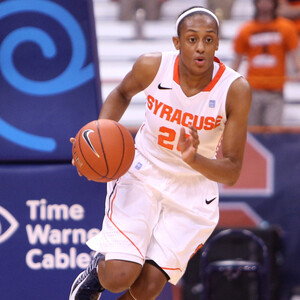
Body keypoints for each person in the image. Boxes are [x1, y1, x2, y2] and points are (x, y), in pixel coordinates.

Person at [69, 6, 251, 300]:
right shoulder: (152, 66)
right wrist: (100, 132)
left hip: (193, 188)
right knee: (119, 277)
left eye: (208, 39)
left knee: (147, 288)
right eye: (192, 39)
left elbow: (231, 171)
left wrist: (194, 158)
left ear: (217, 43)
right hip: (144, 171)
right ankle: (93, 276)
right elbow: (121, 93)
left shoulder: (235, 89)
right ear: (177, 43)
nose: (200, 47)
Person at [232, 0, 300, 126]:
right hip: (253, 89)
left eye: (268, 2)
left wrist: (298, 70)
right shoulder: (246, 29)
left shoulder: (285, 27)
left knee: (273, 132)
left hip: (275, 90)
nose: (264, 5)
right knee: (252, 130)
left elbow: (294, 53)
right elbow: (237, 59)